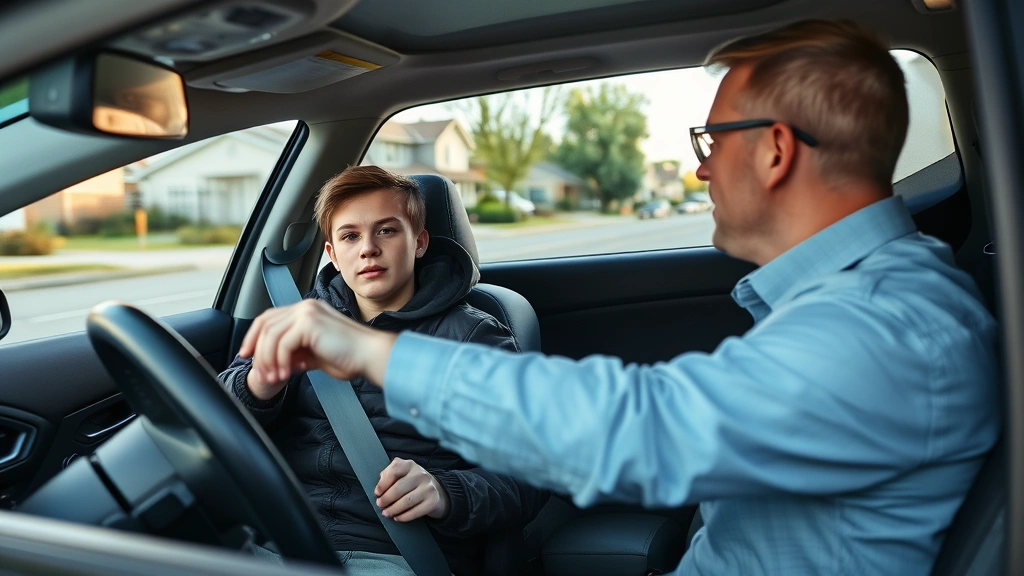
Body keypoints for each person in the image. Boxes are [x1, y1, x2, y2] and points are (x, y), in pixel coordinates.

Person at [237, 20, 1000, 576]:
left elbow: (643, 430)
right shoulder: (860, 304)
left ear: (774, 150)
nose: (700, 170)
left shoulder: (885, 328)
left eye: (711, 141)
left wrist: (374, 353)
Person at [219, 165, 546, 575]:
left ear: (419, 242)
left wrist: (445, 492)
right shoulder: (300, 320)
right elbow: (213, 415)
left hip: (394, 551)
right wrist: (259, 384)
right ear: (332, 254)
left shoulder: (472, 337)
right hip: (280, 537)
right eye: (350, 236)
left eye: (386, 231)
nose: (368, 249)